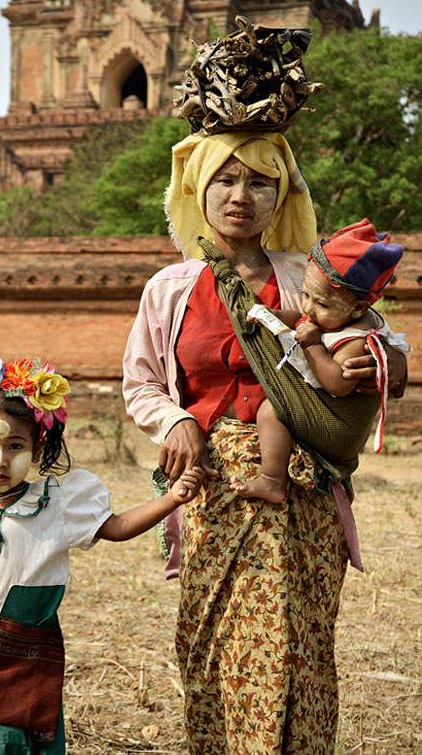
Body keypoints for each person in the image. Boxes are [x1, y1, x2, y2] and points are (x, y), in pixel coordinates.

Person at [122, 129, 408, 754]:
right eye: (225, 179)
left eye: (259, 181)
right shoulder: (169, 289)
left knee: (297, 644)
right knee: (211, 640)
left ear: (283, 194)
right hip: (213, 490)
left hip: (301, 489)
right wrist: (176, 422)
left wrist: (376, 360)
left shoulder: (310, 275)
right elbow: (140, 383)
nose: (240, 196)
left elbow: (380, 338)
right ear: (199, 189)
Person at [0, 353, 204, 755]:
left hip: (29, 659)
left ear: (36, 449)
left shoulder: (56, 505)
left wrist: (173, 499)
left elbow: (116, 527)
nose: (0, 459)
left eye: (15, 445)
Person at [232, 218, 410, 503]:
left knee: (271, 410)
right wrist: (272, 315)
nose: (308, 308)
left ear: (358, 309)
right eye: (306, 295)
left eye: (321, 303)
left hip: (336, 419)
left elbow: (338, 384)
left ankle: (272, 479)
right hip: (323, 409)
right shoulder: (334, 314)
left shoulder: (355, 340)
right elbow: (301, 319)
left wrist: (314, 346)